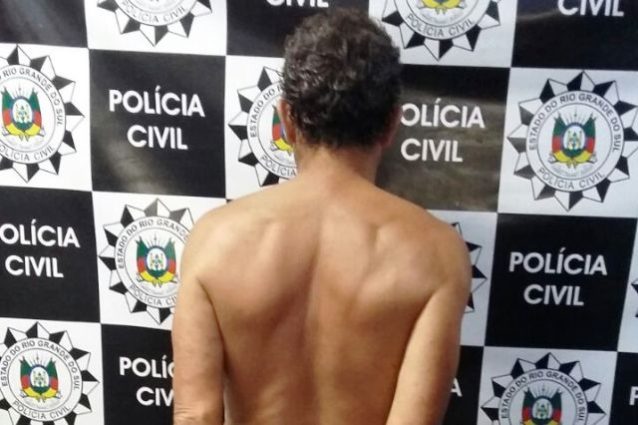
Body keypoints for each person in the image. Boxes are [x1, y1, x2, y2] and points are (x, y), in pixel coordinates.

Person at [172, 8, 471, 425]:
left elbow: (196, 415)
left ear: (286, 120)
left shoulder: (214, 239)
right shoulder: (436, 252)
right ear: (392, 124)